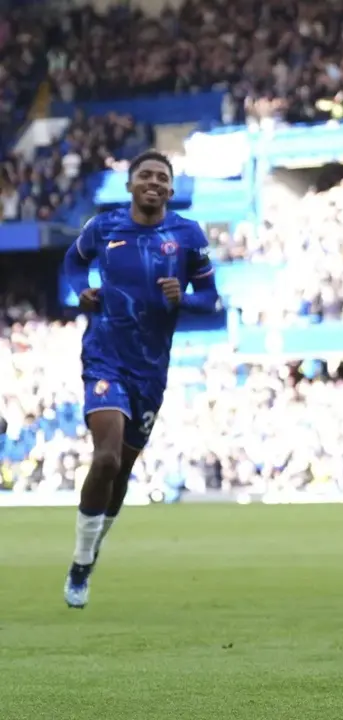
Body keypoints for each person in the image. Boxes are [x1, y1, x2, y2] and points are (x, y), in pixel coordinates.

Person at [61, 149, 221, 609]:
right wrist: (81, 291)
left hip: (150, 370)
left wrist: (183, 299)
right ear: (130, 185)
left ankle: (89, 554)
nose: (154, 182)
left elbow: (211, 299)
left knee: (124, 471)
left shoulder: (188, 236)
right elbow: (73, 264)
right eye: (145, 175)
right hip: (104, 356)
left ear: (171, 190)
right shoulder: (104, 227)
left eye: (162, 178)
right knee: (107, 459)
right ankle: (79, 561)